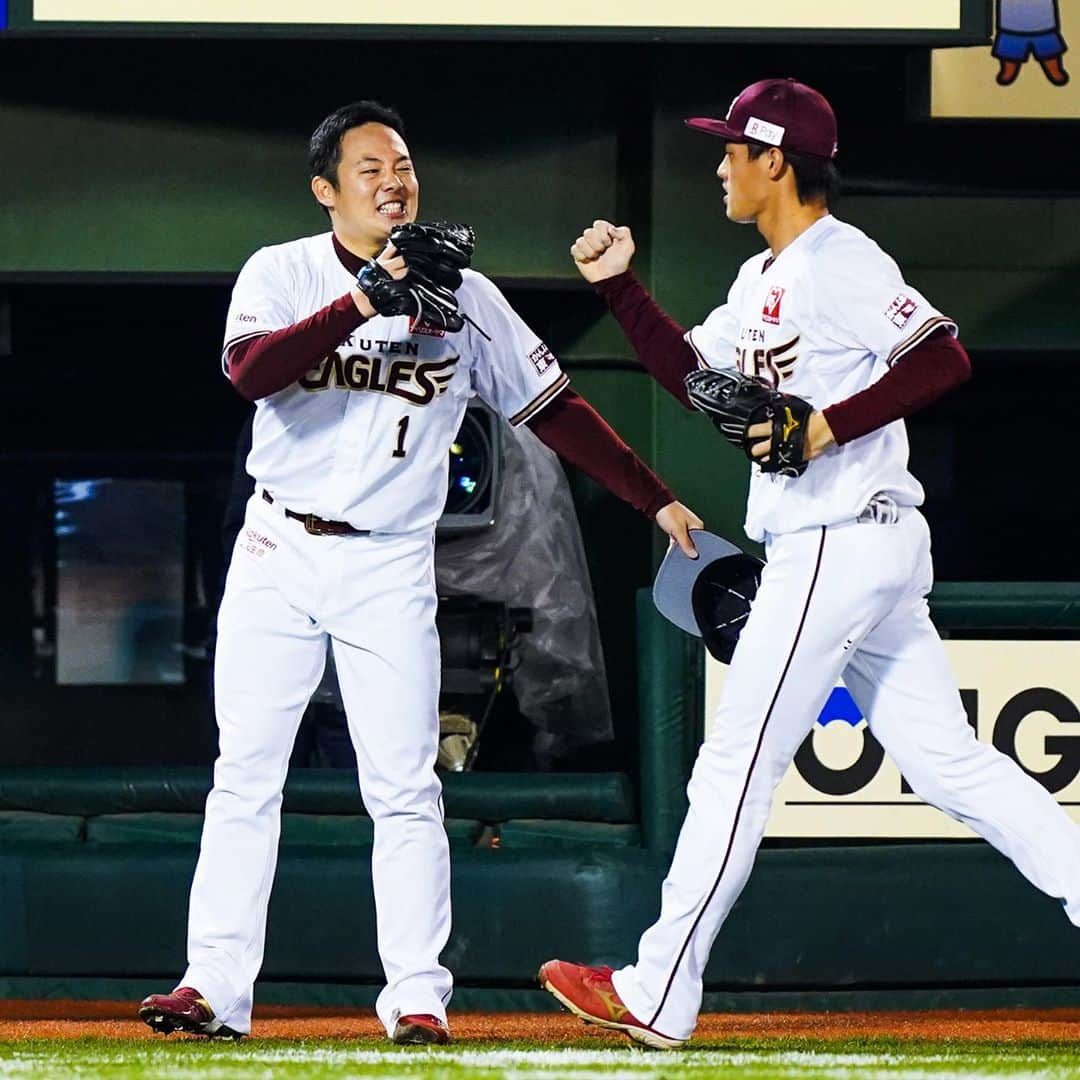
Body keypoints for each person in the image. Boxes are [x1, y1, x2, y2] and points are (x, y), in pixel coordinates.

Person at [136, 99, 701, 1045]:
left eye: (403, 165)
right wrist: (364, 298)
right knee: (246, 777)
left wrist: (656, 498)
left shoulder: (465, 296)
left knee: (404, 785)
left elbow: (552, 407)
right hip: (280, 548)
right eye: (370, 169)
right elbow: (252, 372)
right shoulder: (283, 270)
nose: (395, 181)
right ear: (327, 191)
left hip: (391, 561)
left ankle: (415, 994)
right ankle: (214, 988)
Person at [539, 77, 1080, 1050]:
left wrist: (830, 424)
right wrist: (620, 287)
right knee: (950, 766)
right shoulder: (760, 281)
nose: (719, 165)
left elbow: (943, 358)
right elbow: (699, 383)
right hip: (852, 546)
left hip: (839, 541)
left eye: (732, 149)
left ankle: (659, 990)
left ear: (775, 159)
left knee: (734, 761)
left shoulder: (841, 260)